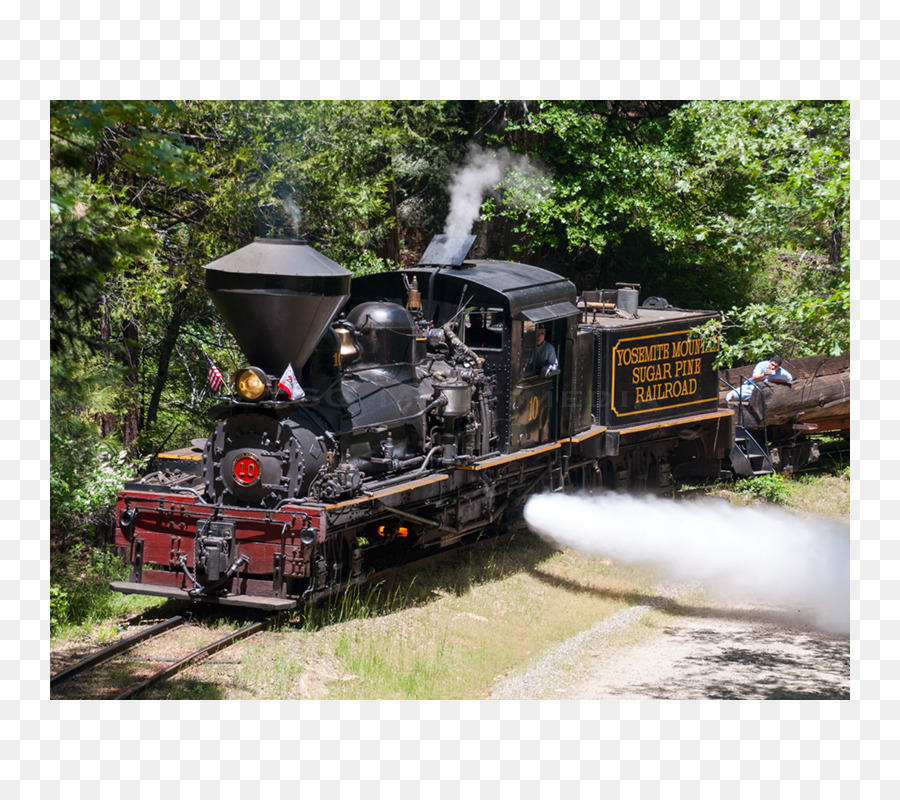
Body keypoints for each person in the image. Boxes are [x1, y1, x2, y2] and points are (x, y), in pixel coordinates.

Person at [726, 355, 793, 402]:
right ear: (769, 362)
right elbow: (754, 378)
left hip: (764, 391)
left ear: (778, 367)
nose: (773, 368)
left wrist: (776, 381)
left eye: (775, 366)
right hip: (751, 386)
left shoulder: (781, 372)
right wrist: (764, 374)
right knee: (730, 396)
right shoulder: (762, 365)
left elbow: (790, 379)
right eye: (772, 365)